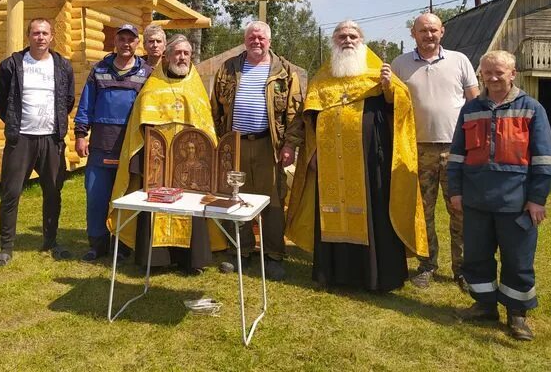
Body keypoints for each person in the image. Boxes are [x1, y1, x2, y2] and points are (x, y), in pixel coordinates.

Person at [286, 20, 428, 291]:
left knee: (374, 212)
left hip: (371, 158)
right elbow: (309, 118)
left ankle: (376, 276)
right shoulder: (323, 77)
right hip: (330, 161)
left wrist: (389, 88)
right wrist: (312, 152)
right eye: (342, 36)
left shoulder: (377, 70)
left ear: (361, 40)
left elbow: (401, 107)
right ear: (334, 42)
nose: (347, 40)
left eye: (353, 36)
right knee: (331, 212)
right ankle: (333, 274)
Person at [448, 50, 551, 341]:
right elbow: (457, 155)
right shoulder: (470, 109)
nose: (493, 78)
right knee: (477, 256)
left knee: (518, 259)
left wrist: (537, 199)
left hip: (517, 203)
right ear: (481, 75)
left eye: (499, 72)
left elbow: (544, 159)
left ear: (512, 74)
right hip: (476, 200)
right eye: (487, 72)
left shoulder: (532, 108)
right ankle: (484, 306)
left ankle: (517, 314)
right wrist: (455, 191)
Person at [109, 35, 227, 273]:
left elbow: (206, 127)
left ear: (191, 56)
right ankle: (156, 260)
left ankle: (190, 260)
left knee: (191, 204)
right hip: (158, 161)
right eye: (177, 53)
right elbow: (139, 125)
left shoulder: (196, 88)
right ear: (167, 56)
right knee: (155, 204)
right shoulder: (153, 85)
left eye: (186, 53)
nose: (181, 57)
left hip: (190, 161)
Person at [385, 13, 479, 290]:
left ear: (442, 32)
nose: (429, 35)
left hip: (456, 150)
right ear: (413, 33)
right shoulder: (400, 64)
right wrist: (386, 85)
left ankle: (463, 270)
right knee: (422, 212)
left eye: (433, 30)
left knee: (460, 210)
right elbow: (391, 103)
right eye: (423, 30)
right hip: (416, 150)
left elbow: (474, 102)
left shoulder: (459, 60)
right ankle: (427, 265)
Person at [210, 20, 303, 281]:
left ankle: (273, 255)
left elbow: (294, 113)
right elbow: (215, 107)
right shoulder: (228, 68)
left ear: (269, 41)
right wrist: (219, 142)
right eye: (252, 37)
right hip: (235, 145)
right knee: (235, 197)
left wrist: (289, 145)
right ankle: (240, 251)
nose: (256, 41)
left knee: (272, 200)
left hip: (268, 146)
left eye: (261, 37)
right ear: (245, 40)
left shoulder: (284, 71)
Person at [0, 18, 75, 266]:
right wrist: (14, 121)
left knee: (53, 191)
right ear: (29, 36)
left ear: (52, 37)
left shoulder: (63, 66)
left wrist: (56, 124)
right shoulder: (12, 64)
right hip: (21, 139)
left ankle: (51, 241)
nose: (40, 37)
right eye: (36, 33)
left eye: (45, 33)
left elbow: (68, 99)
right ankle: (6, 247)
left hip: (51, 139)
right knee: (11, 192)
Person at [75, 24, 153, 261]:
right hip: (101, 145)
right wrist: (80, 135)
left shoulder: (147, 73)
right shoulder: (99, 70)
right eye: (122, 39)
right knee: (96, 196)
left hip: (131, 146)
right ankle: (97, 244)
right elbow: (86, 104)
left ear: (137, 43)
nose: (126, 43)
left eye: (131, 39)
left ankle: (123, 244)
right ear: (115, 42)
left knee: (127, 197)